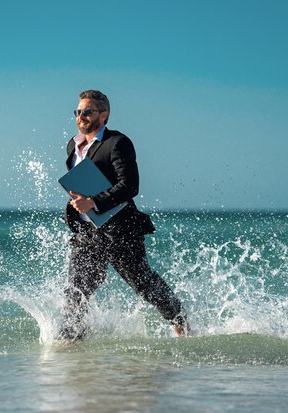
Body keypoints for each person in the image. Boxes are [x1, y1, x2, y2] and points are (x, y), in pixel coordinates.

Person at [57, 89, 189, 341]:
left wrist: (93, 202)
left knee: (144, 285)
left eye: (87, 111)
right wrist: (80, 206)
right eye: (78, 111)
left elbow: (130, 186)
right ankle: (72, 341)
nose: (81, 116)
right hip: (88, 231)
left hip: (120, 229)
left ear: (103, 115)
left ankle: (181, 322)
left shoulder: (117, 143)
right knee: (76, 290)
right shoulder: (73, 146)